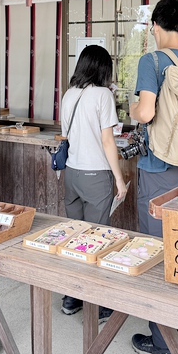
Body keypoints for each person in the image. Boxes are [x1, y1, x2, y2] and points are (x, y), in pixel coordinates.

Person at [128, 0, 178, 354]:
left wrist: (131, 109)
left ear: (155, 26)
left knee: (156, 248)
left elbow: (145, 110)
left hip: (157, 169)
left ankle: (162, 340)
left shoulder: (151, 61)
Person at [59, 45, 128, 321]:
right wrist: (120, 180)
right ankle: (97, 304)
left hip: (72, 174)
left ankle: (71, 297)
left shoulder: (69, 94)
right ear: (103, 68)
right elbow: (107, 140)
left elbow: (67, 134)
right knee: (97, 238)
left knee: (76, 236)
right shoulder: (103, 95)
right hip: (96, 176)